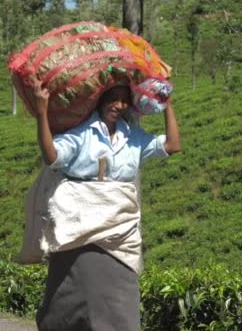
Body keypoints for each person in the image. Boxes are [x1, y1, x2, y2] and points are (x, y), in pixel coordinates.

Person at [30, 77, 181, 331]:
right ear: (99, 100)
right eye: (113, 98)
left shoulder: (132, 136)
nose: (119, 105)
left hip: (119, 230)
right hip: (79, 224)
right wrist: (42, 112)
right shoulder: (82, 134)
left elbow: (172, 145)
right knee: (72, 291)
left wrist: (167, 104)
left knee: (119, 295)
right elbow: (51, 156)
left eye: (124, 100)